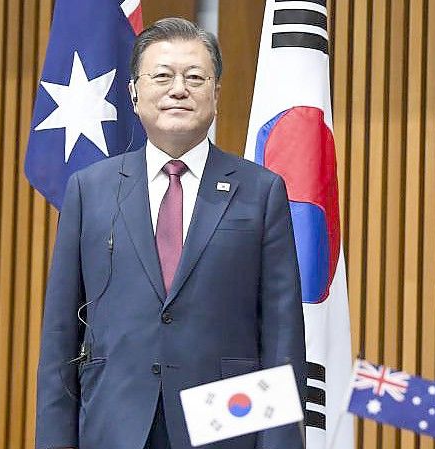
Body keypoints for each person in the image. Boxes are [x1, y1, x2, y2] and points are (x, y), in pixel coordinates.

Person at [35, 18, 306, 449]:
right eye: (162, 76)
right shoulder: (90, 190)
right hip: (113, 425)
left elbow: (282, 334)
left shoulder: (261, 191)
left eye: (195, 77)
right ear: (134, 92)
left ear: (216, 95)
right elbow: (60, 335)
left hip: (227, 428)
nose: (178, 89)